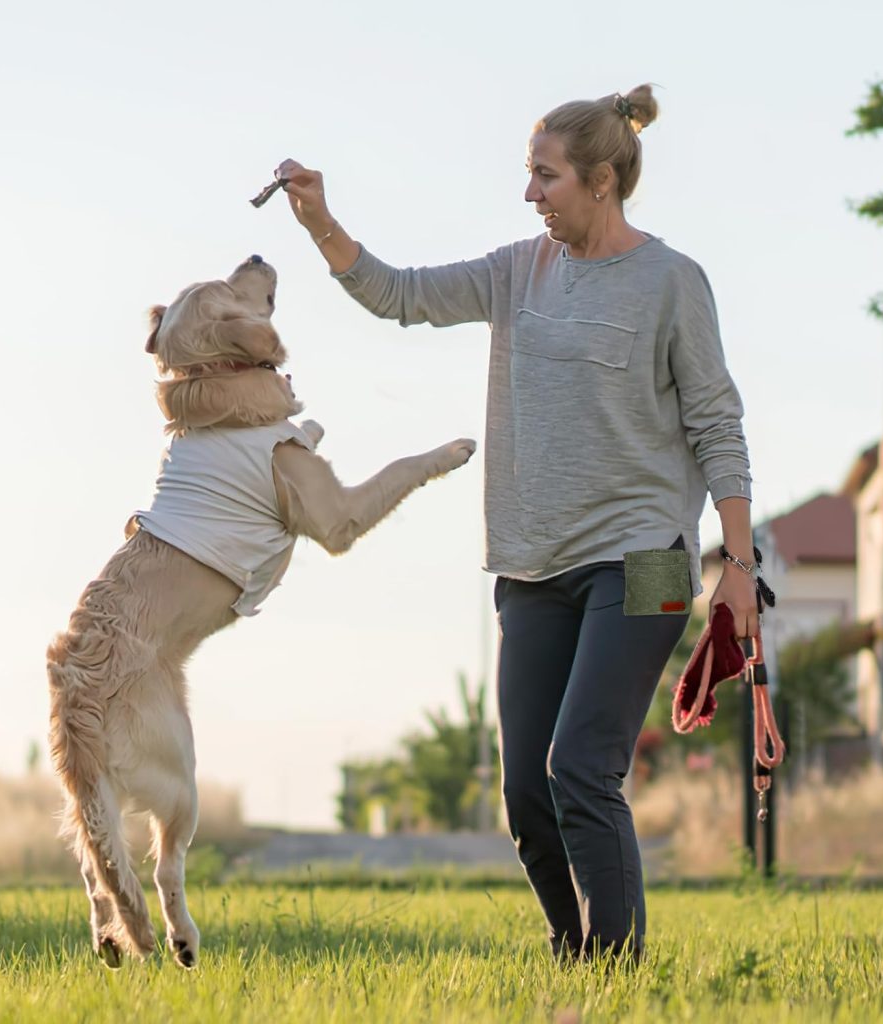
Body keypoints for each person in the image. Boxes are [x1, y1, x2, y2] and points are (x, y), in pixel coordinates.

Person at [275, 83, 758, 961]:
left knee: (581, 767)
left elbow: (717, 425)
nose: (529, 193)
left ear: (602, 181)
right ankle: (572, 951)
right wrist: (320, 222)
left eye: (546, 176)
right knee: (528, 800)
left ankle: (617, 972)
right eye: (528, 175)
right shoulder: (517, 272)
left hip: (647, 561)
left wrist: (740, 568)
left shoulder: (672, 283)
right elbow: (398, 295)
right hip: (534, 567)